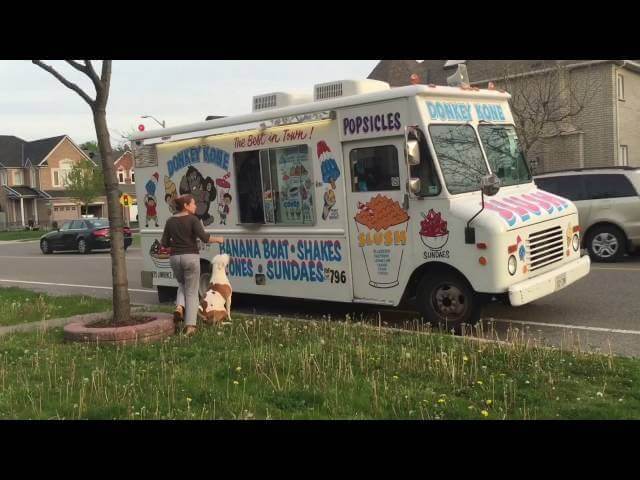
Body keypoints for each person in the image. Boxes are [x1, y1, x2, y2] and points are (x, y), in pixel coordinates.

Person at [160, 194, 224, 336]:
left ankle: (179, 307)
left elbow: (164, 243)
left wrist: (177, 244)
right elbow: (205, 238)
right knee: (192, 292)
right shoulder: (193, 220)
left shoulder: (170, 221)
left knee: (182, 285)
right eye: (193, 203)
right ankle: (190, 327)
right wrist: (219, 239)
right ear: (186, 206)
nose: (196, 206)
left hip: (175, 258)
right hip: (191, 257)